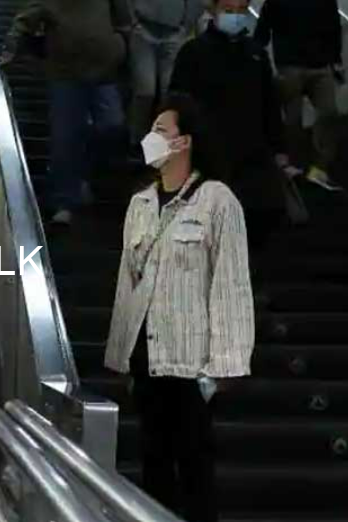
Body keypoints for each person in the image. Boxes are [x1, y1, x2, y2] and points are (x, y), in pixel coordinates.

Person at [105, 94, 255, 522]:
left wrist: (223, 366)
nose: (150, 139)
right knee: (154, 470)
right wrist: (121, 356)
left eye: (160, 131)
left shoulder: (216, 200)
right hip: (147, 359)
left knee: (195, 473)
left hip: (190, 364)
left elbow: (230, 283)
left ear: (183, 141)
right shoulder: (140, 204)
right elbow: (127, 284)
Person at [170, 0, 289, 262]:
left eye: (240, 9)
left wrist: (278, 147)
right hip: (208, 152)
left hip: (251, 151)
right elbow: (177, 102)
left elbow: (269, 104)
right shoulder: (194, 52)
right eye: (228, 9)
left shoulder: (255, 54)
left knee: (257, 218)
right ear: (213, 9)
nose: (235, 15)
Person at [4, 0, 132, 225]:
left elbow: (124, 20)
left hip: (104, 72)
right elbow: (26, 18)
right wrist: (10, 48)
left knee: (113, 125)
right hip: (65, 75)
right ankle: (63, 202)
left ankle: (85, 175)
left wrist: (119, 46)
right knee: (65, 138)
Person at [255, 0, 345, 191]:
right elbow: (264, 25)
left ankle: (318, 169)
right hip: (291, 65)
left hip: (317, 65)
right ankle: (296, 169)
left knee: (328, 114)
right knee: (293, 120)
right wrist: (255, 53)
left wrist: (335, 59)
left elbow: (333, 27)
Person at [128, 0, 205, 146]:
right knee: (145, 92)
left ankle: (163, 142)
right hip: (143, 29)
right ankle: (137, 142)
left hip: (174, 32)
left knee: (169, 94)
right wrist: (132, 21)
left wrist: (184, 27)